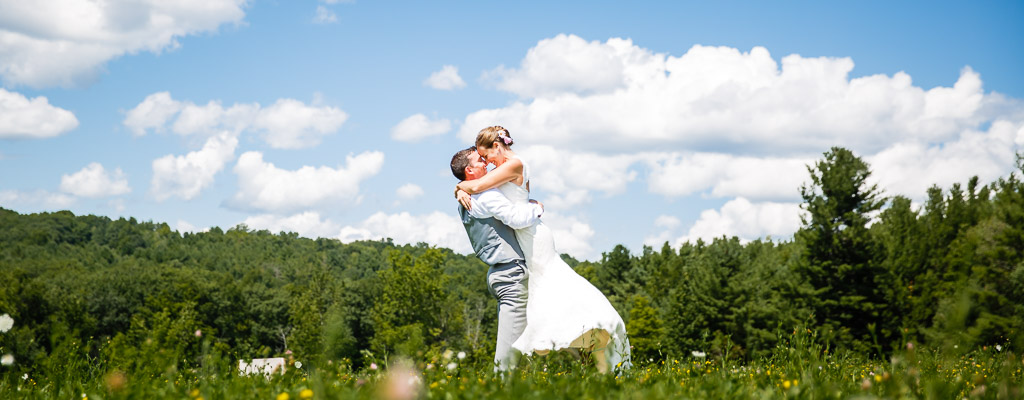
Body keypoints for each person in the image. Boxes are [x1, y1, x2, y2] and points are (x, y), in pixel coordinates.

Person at [455, 126, 631, 373]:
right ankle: (585, 352)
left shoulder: (513, 165)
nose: (487, 162)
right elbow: (476, 185)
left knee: (560, 290)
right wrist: (459, 188)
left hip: (533, 235)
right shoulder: (502, 168)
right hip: (527, 234)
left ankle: (601, 332)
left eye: (486, 156)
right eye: (482, 160)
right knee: (551, 299)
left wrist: (536, 208)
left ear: (497, 146)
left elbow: (477, 187)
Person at [450, 146, 545, 371]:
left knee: (528, 348)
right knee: (508, 359)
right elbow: (516, 219)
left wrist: (460, 188)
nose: (485, 162)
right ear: (469, 171)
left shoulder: (470, 197)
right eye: (479, 161)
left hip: (500, 273)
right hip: (511, 274)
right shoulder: (488, 195)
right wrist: (537, 208)